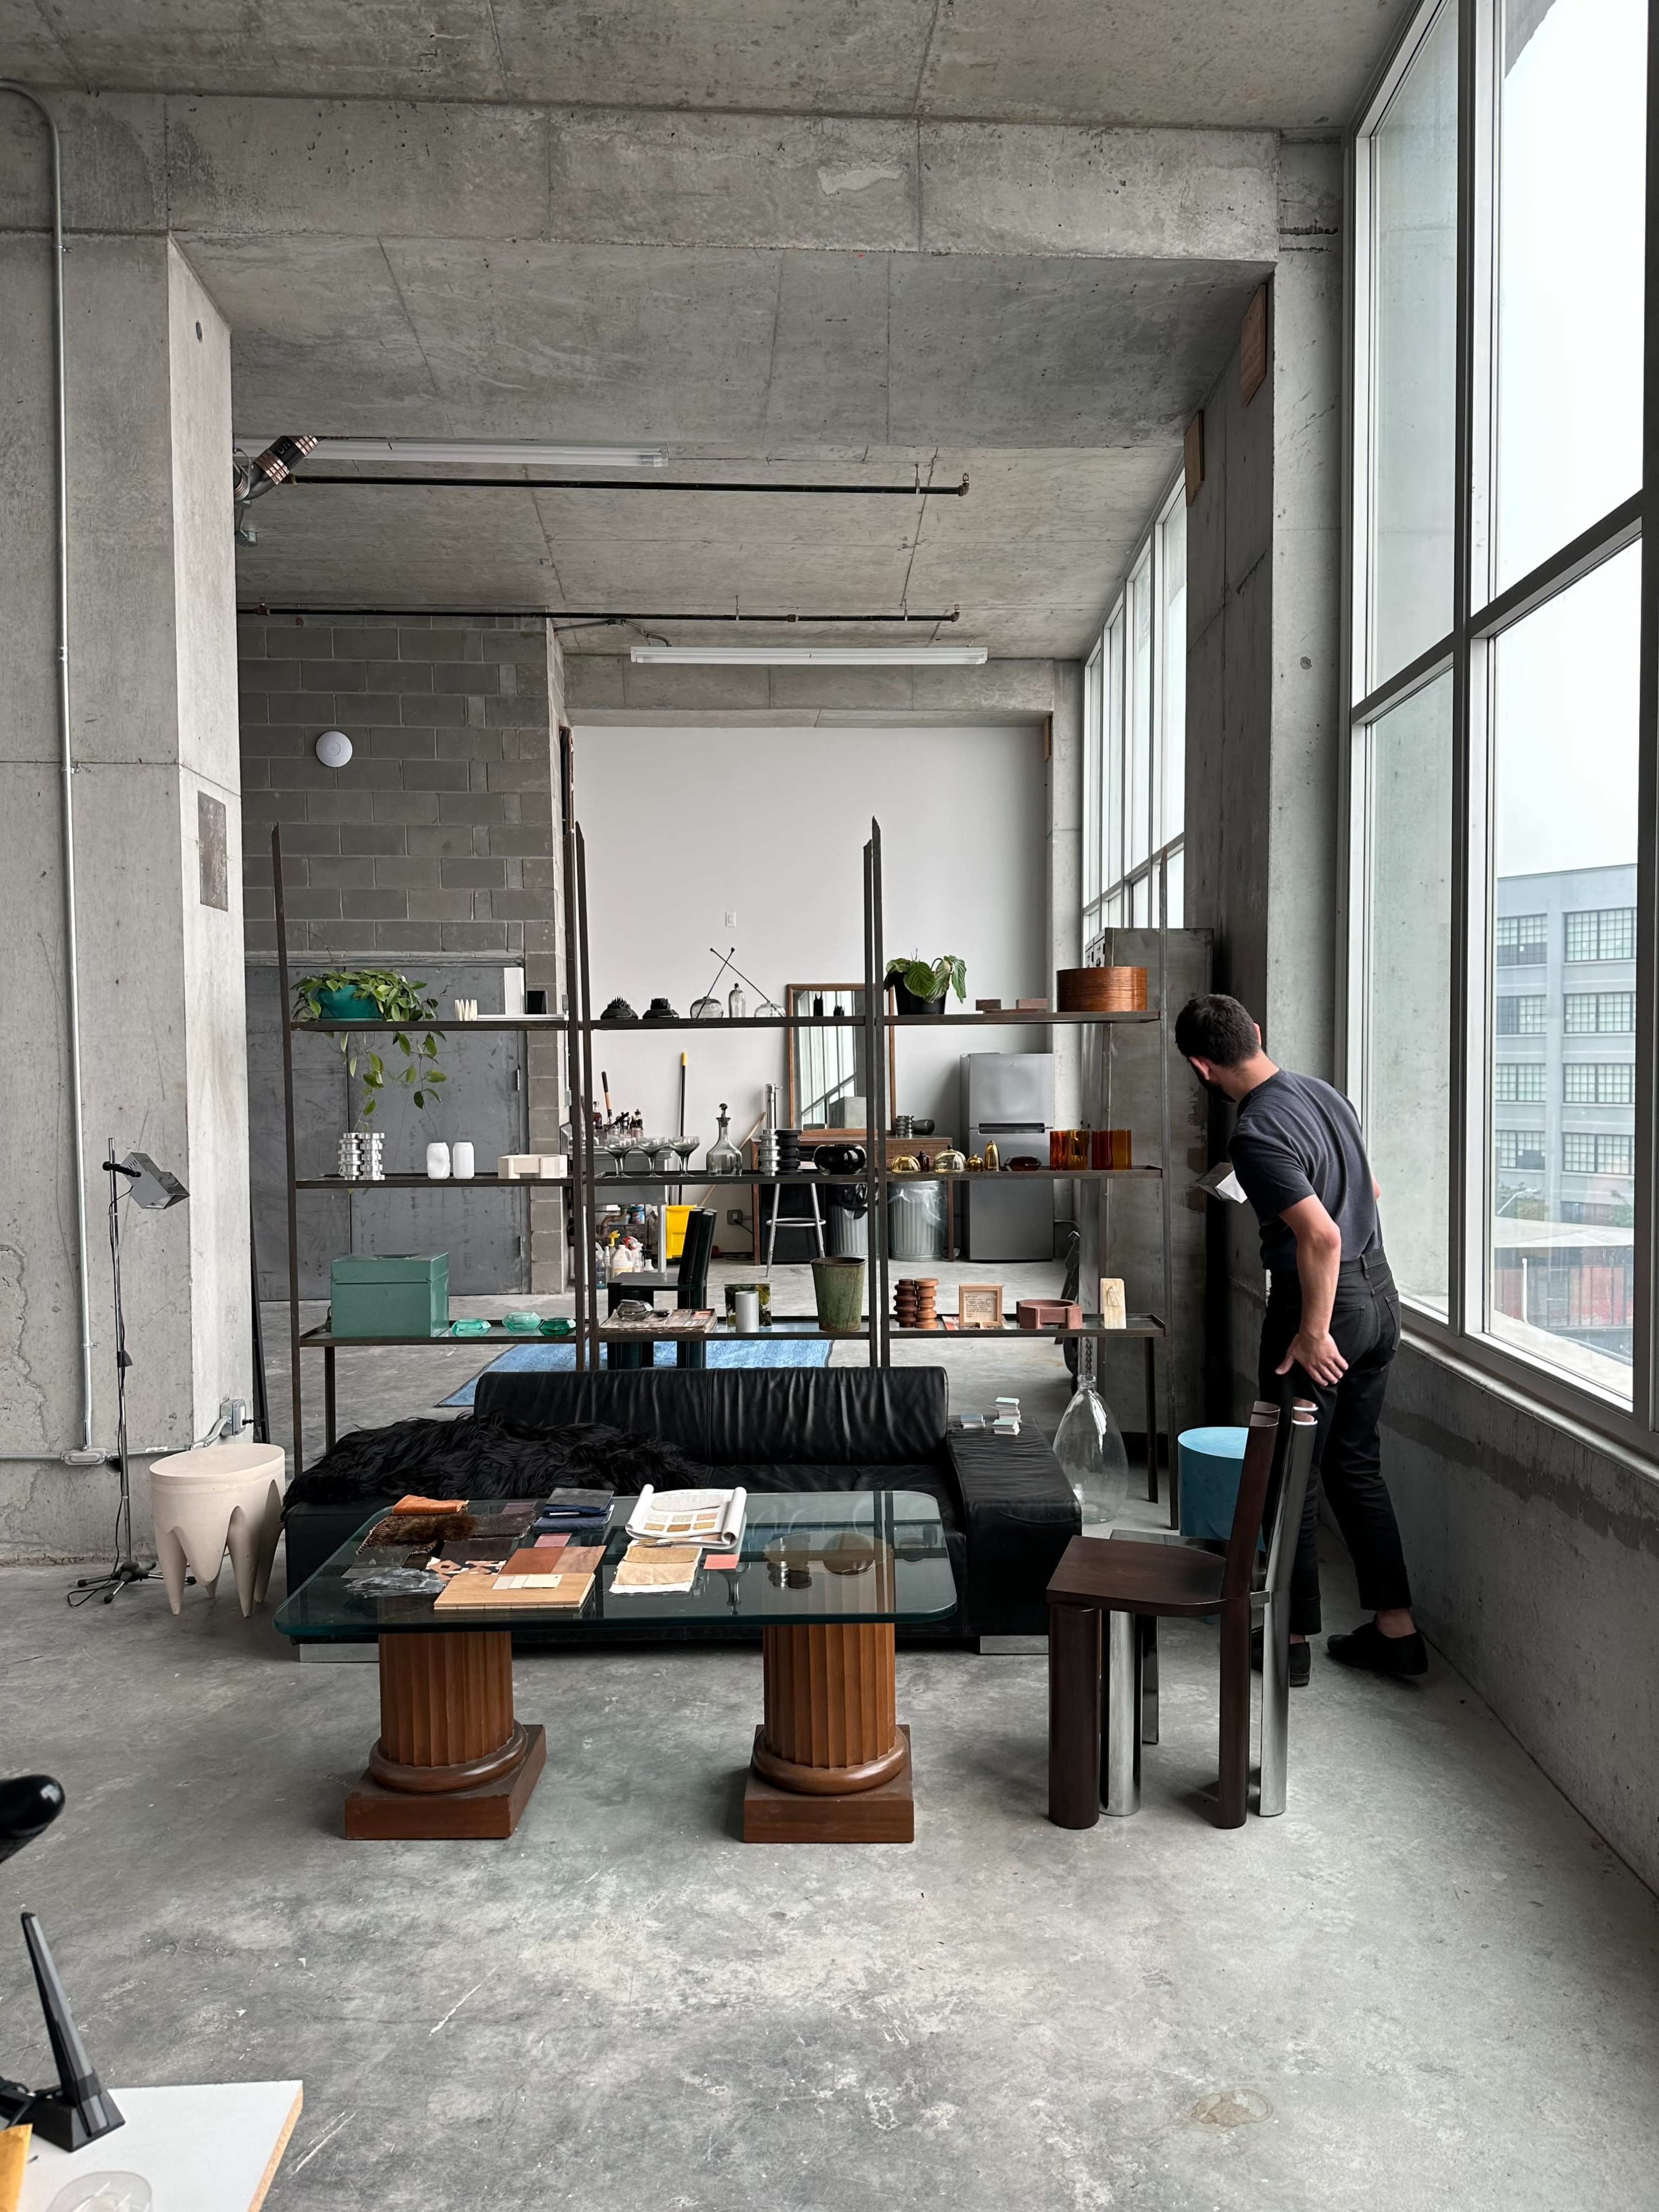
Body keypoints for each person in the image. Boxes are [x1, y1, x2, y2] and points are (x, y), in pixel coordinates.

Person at [1173, 992, 1426, 1685]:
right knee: (1355, 1464)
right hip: (1380, 1296)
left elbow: (1321, 1234)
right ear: (1255, 1033)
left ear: (1201, 1067)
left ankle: (1287, 1643)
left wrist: (1313, 1330)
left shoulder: (1254, 1135)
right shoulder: (1325, 1094)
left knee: (1291, 1475)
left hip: (1324, 1306)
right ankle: (1397, 1634)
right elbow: (1366, 1192)